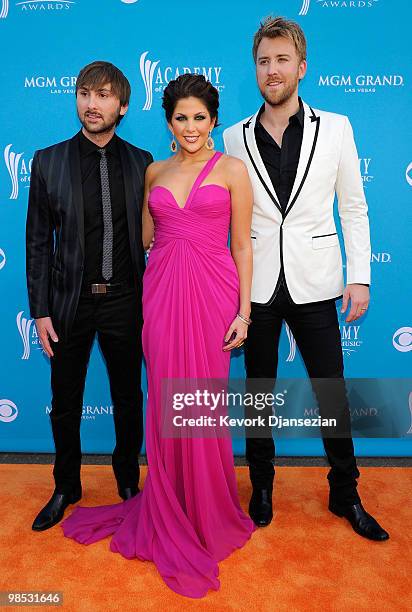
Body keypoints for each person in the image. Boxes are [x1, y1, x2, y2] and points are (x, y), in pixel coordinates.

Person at [62, 74, 255, 598]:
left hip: (215, 294)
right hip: (163, 292)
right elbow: (147, 238)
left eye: (199, 116)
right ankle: (169, 500)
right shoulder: (154, 170)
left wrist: (244, 312)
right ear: (167, 121)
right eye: (180, 117)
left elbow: (242, 246)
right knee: (168, 398)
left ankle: (206, 507)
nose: (190, 127)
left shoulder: (234, 170)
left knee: (204, 401)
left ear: (213, 120)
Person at [223, 16, 389, 541]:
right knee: (258, 394)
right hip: (258, 285)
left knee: (331, 393)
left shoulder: (336, 127)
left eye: (281, 60)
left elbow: (354, 208)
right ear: (255, 69)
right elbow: (226, 216)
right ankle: (263, 487)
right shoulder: (232, 136)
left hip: (317, 281)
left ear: (302, 66)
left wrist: (358, 277)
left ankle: (346, 492)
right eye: (263, 61)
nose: (272, 71)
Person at [26, 61, 152, 532]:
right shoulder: (47, 161)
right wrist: (40, 310)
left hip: (125, 300)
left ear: (122, 105)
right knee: (65, 399)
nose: (91, 104)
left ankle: (127, 482)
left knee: (127, 397)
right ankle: (66, 486)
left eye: (102, 95)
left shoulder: (143, 164)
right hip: (68, 303)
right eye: (84, 93)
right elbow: (38, 242)